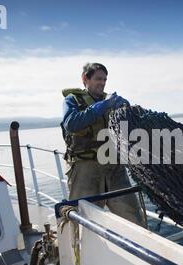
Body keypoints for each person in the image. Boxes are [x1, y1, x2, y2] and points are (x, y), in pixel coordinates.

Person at [61, 62, 147, 228]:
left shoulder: (114, 103)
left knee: (134, 220)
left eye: (105, 79)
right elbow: (71, 124)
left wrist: (128, 109)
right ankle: (80, 253)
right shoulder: (72, 100)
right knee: (83, 223)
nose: (102, 83)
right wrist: (104, 105)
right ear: (85, 79)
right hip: (85, 170)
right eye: (98, 79)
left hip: (115, 169)